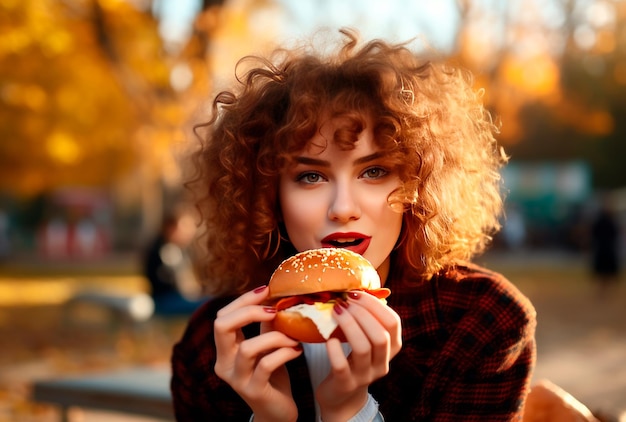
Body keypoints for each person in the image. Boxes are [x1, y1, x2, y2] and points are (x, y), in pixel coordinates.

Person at [171, 28, 536, 421]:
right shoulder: (209, 346)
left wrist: (350, 412)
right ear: (267, 196)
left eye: (374, 171)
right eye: (311, 176)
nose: (342, 209)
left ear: (418, 185)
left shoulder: (483, 319)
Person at [142, 208, 208, 315]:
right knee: (208, 305)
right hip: (165, 300)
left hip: (177, 298)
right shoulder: (164, 250)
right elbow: (177, 285)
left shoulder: (180, 249)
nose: (190, 232)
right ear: (171, 229)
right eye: (185, 227)